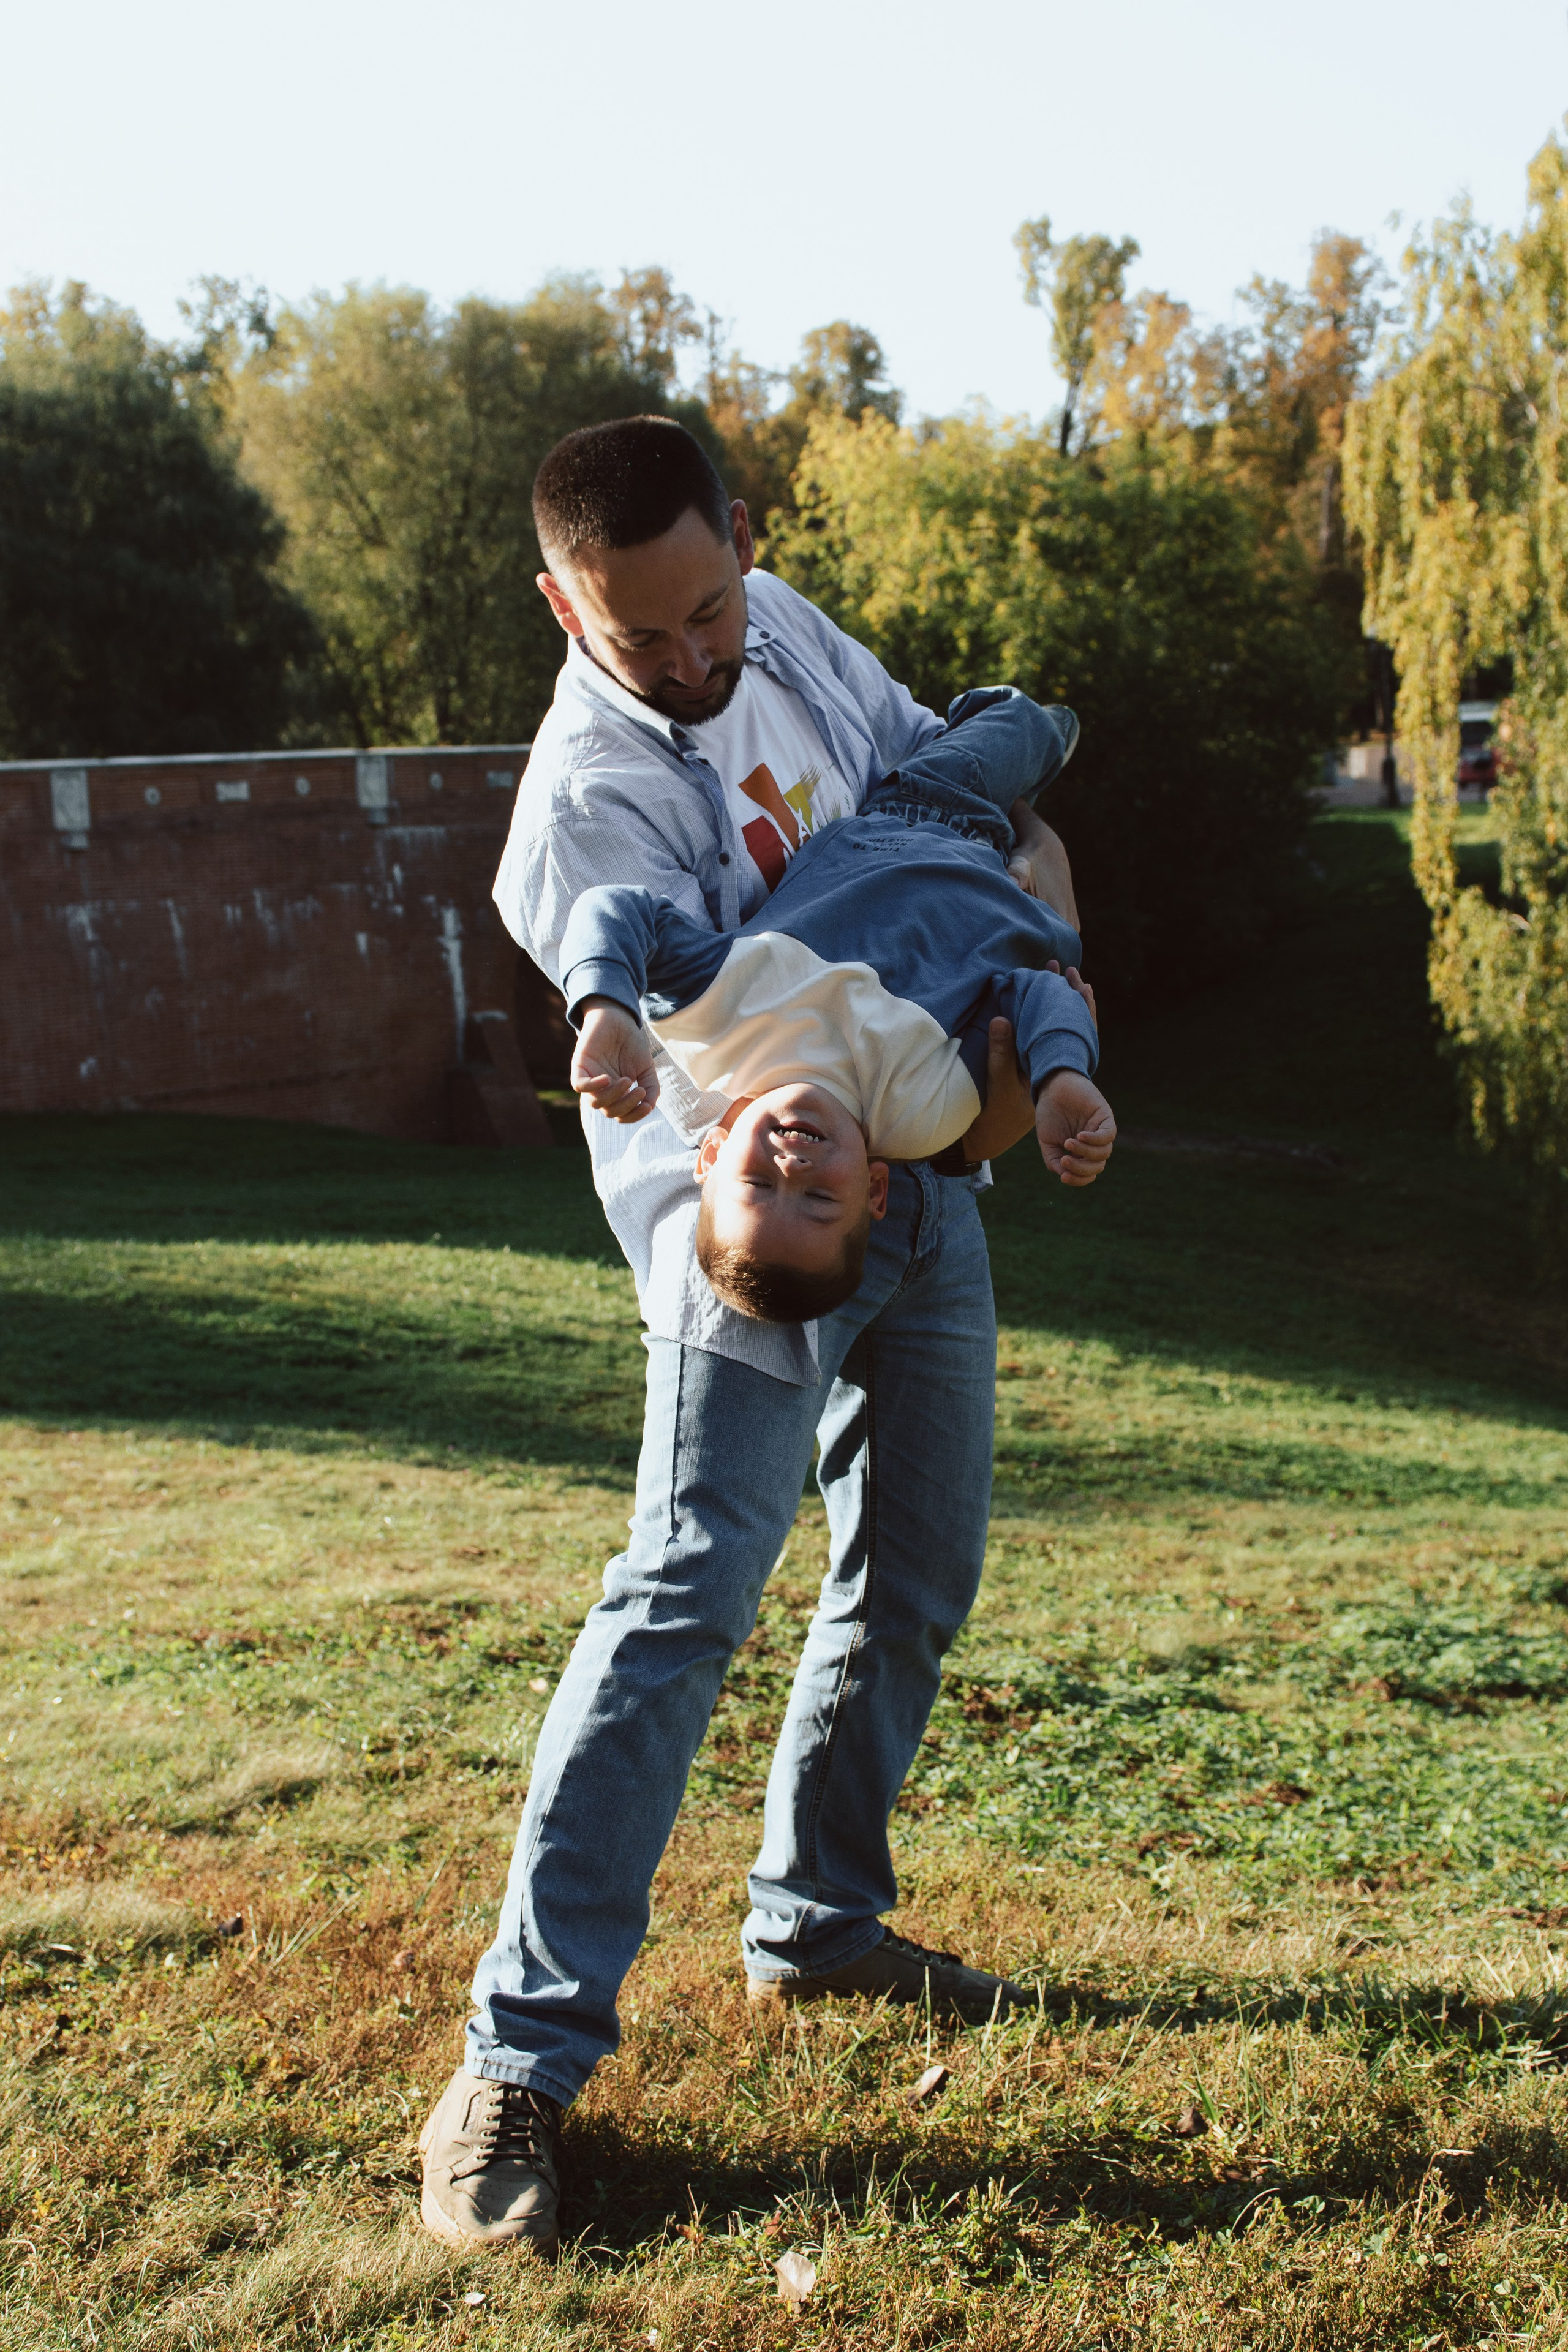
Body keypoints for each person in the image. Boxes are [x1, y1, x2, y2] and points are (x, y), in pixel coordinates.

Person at [419, 417, 1093, 2255]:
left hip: (920, 1187)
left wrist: (1032, 954)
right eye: (650, 639)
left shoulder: (780, 620)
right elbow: (641, 1090)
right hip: (746, 1234)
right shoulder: (585, 808)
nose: (705, 659)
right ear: (564, 606)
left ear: (746, 540)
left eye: (714, 607)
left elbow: (954, 816)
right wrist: (750, 1259)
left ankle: (819, 1919)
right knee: (685, 1595)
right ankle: (519, 2057)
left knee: (916, 1573)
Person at [560, 685, 1115, 1323]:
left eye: (759, 1186)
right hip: (1019, 902)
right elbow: (1034, 993)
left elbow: (615, 908)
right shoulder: (922, 1112)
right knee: (1028, 730)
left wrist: (606, 1008)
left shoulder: (709, 1022)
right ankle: (1027, 737)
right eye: (821, 1199)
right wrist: (1062, 1076)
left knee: (1018, 722)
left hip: (925, 812)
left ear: (710, 1156)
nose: (793, 1169)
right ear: (875, 1189)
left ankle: (1001, 723)